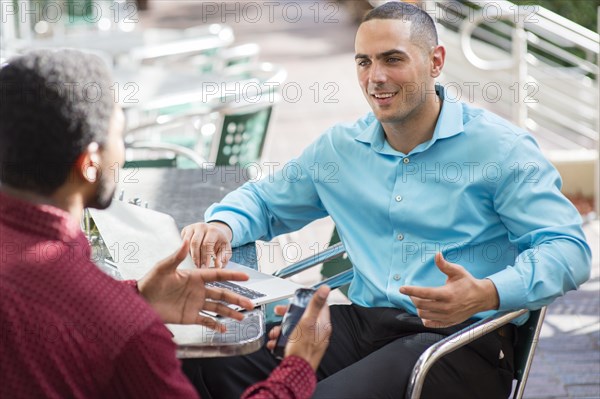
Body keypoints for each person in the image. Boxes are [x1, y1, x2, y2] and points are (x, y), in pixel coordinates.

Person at [180, 2, 592, 398]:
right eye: (364, 61)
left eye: (392, 59)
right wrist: (224, 224)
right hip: (363, 325)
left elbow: (569, 250)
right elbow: (265, 201)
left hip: (460, 341)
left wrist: (487, 292)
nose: (375, 76)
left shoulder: (502, 149)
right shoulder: (340, 149)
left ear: (435, 61)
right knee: (204, 361)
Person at [0, 49, 332, 399]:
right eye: (119, 134)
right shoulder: (128, 332)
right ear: (90, 163)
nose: (123, 151)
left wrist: (138, 295)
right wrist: (299, 366)